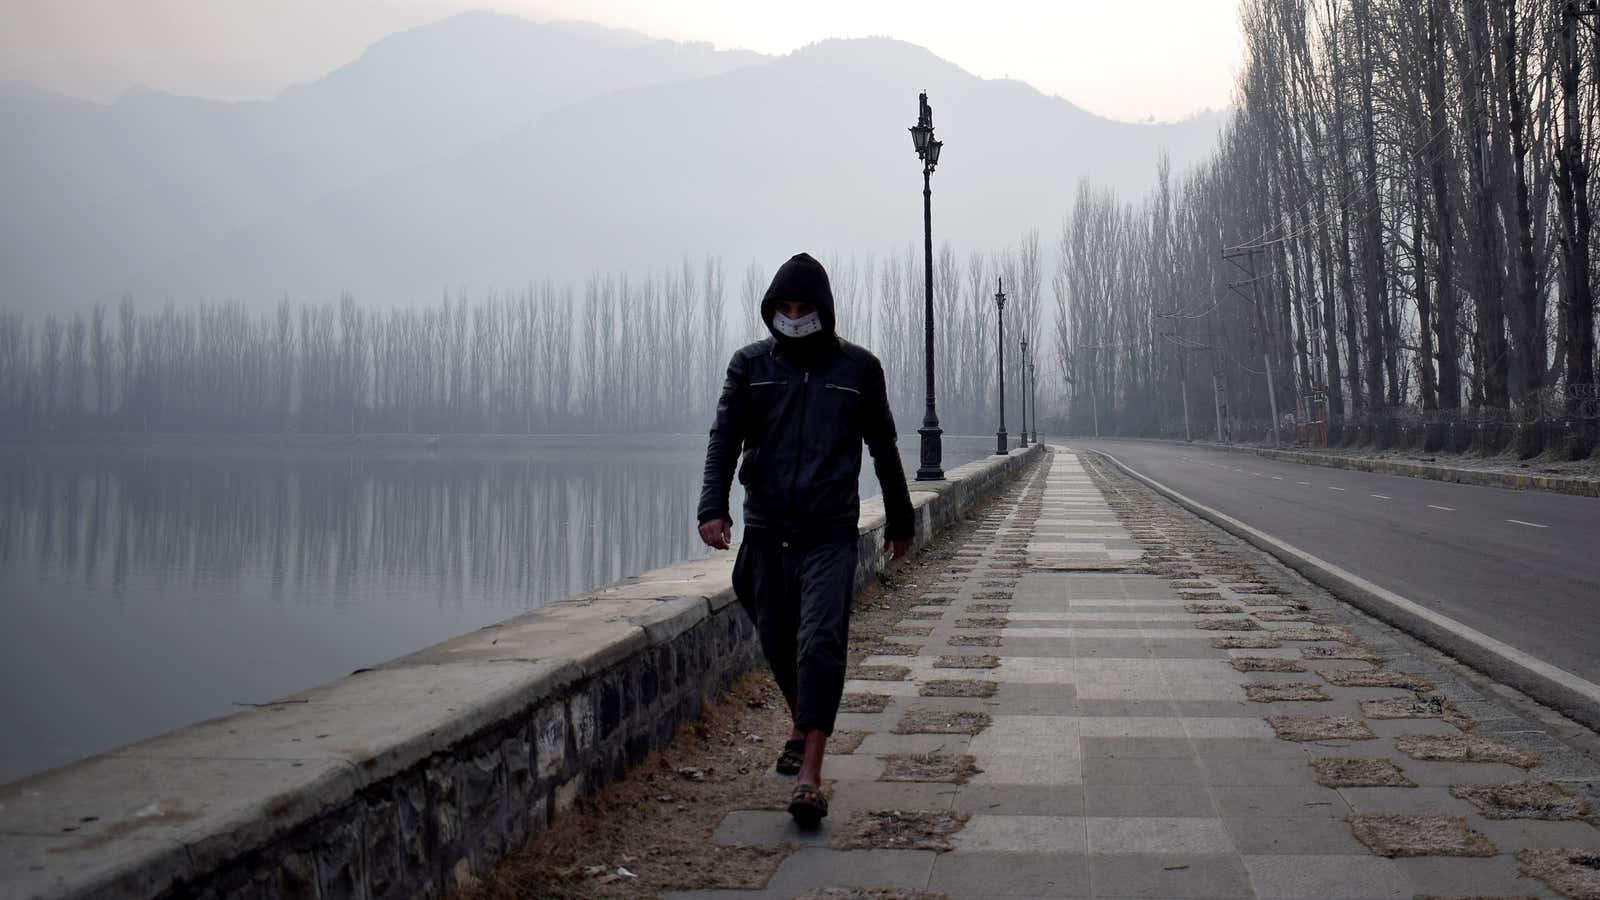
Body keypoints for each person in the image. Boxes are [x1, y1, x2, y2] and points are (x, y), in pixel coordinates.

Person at [697, 252, 914, 825]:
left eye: (804, 309)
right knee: (776, 640)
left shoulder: (858, 371)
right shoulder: (750, 367)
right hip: (767, 528)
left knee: (819, 641)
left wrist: (901, 518)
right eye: (784, 309)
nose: (794, 318)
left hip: (828, 530)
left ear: (824, 311)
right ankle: (802, 725)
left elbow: (884, 448)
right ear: (772, 312)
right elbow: (724, 438)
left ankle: (811, 776)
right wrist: (712, 507)